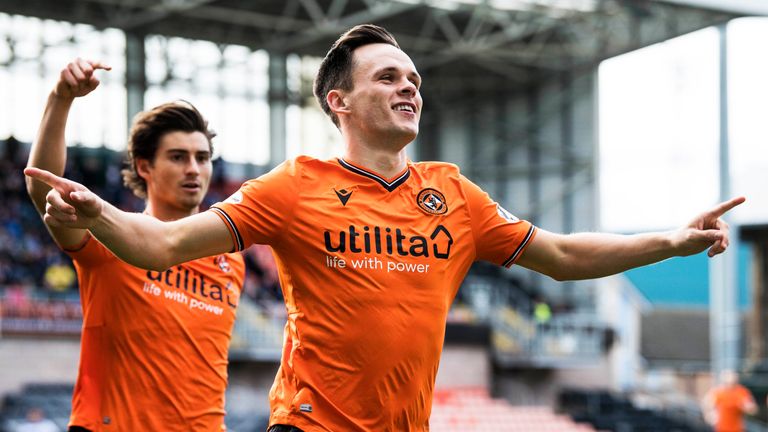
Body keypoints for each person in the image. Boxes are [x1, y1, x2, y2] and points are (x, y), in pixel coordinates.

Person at [25, 26, 744, 432]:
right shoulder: (294, 186)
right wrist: (99, 215)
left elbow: (558, 254)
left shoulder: (453, 195)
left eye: (415, 80)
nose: (410, 87)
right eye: (388, 77)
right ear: (338, 100)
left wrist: (668, 242)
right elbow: (163, 242)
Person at [25, 59, 245, 431]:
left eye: (202, 158)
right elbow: (43, 188)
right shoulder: (108, 234)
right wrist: (60, 99)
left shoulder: (229, 259)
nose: (194, 168)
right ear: (144, 166)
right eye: (178, 157)